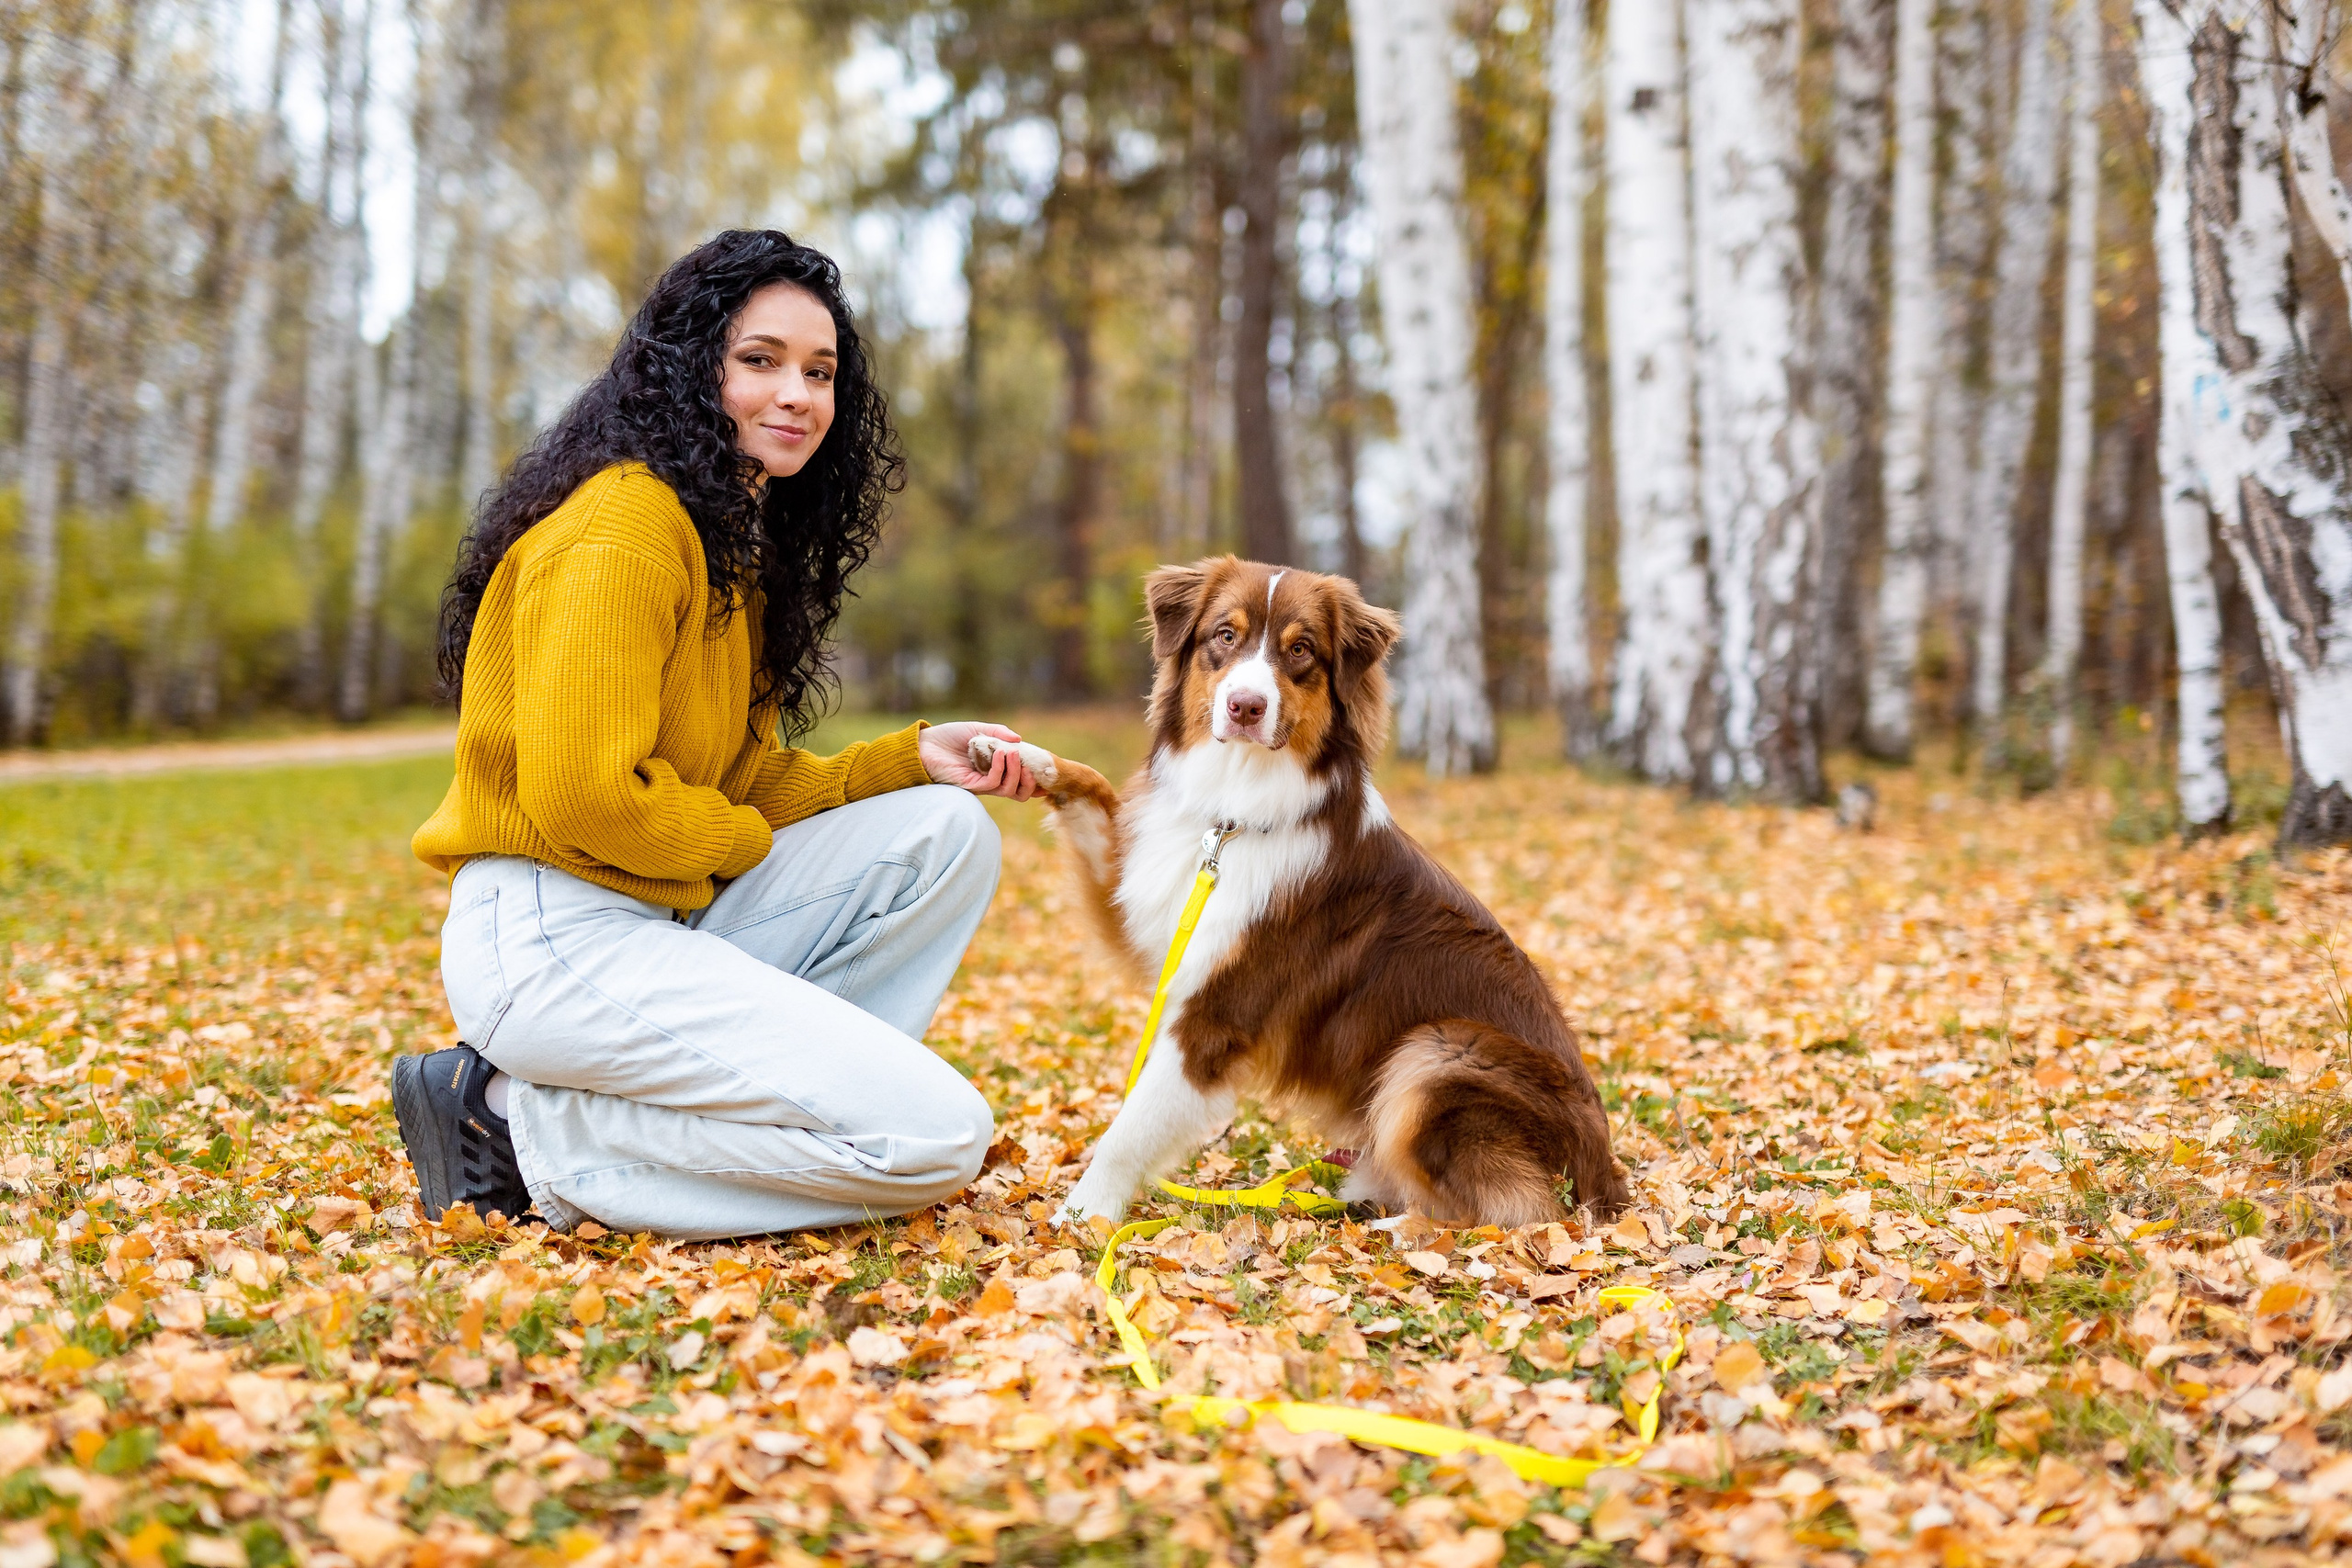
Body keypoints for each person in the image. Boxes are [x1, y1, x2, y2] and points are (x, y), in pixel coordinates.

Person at [396, 230, 1038, 1241]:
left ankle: (745, 1111)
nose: (797, 394)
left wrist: (907, 762)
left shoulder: (723, 544)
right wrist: (739, 843)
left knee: (944, 834)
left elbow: (743, 775)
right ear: (692, 369)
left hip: (647, 918)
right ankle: (523, 1127)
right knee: (935, 1139)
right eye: (760, 361)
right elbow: (588, 796)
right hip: (551, 939)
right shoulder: (624, 528)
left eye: (819, 372)